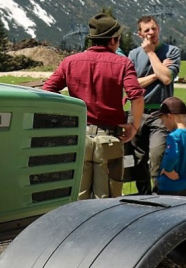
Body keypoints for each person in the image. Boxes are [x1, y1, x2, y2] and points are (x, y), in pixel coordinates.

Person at [43, 13, 145, 199]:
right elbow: (136, 97)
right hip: (109, 139)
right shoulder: (123, 63)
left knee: (77, 198)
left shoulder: (70, 62)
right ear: (114, 40)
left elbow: (47, 91)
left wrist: (67, 120)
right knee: (107, 201)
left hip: (79, 139)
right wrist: (134, 126)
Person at [128, 16, 181, 194]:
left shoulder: (172, 52)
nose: (151, 33)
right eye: (147, 30)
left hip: (160, 114)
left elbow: (167, 78)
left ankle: (160, 195)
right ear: (140, 34)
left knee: (157, 155)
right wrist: (155, 73)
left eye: (154, 28)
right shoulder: (134, 55)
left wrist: (151, 53)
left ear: (159, 29)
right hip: (137, 112)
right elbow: (131, 85)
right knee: (138, 158)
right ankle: (143, 196)